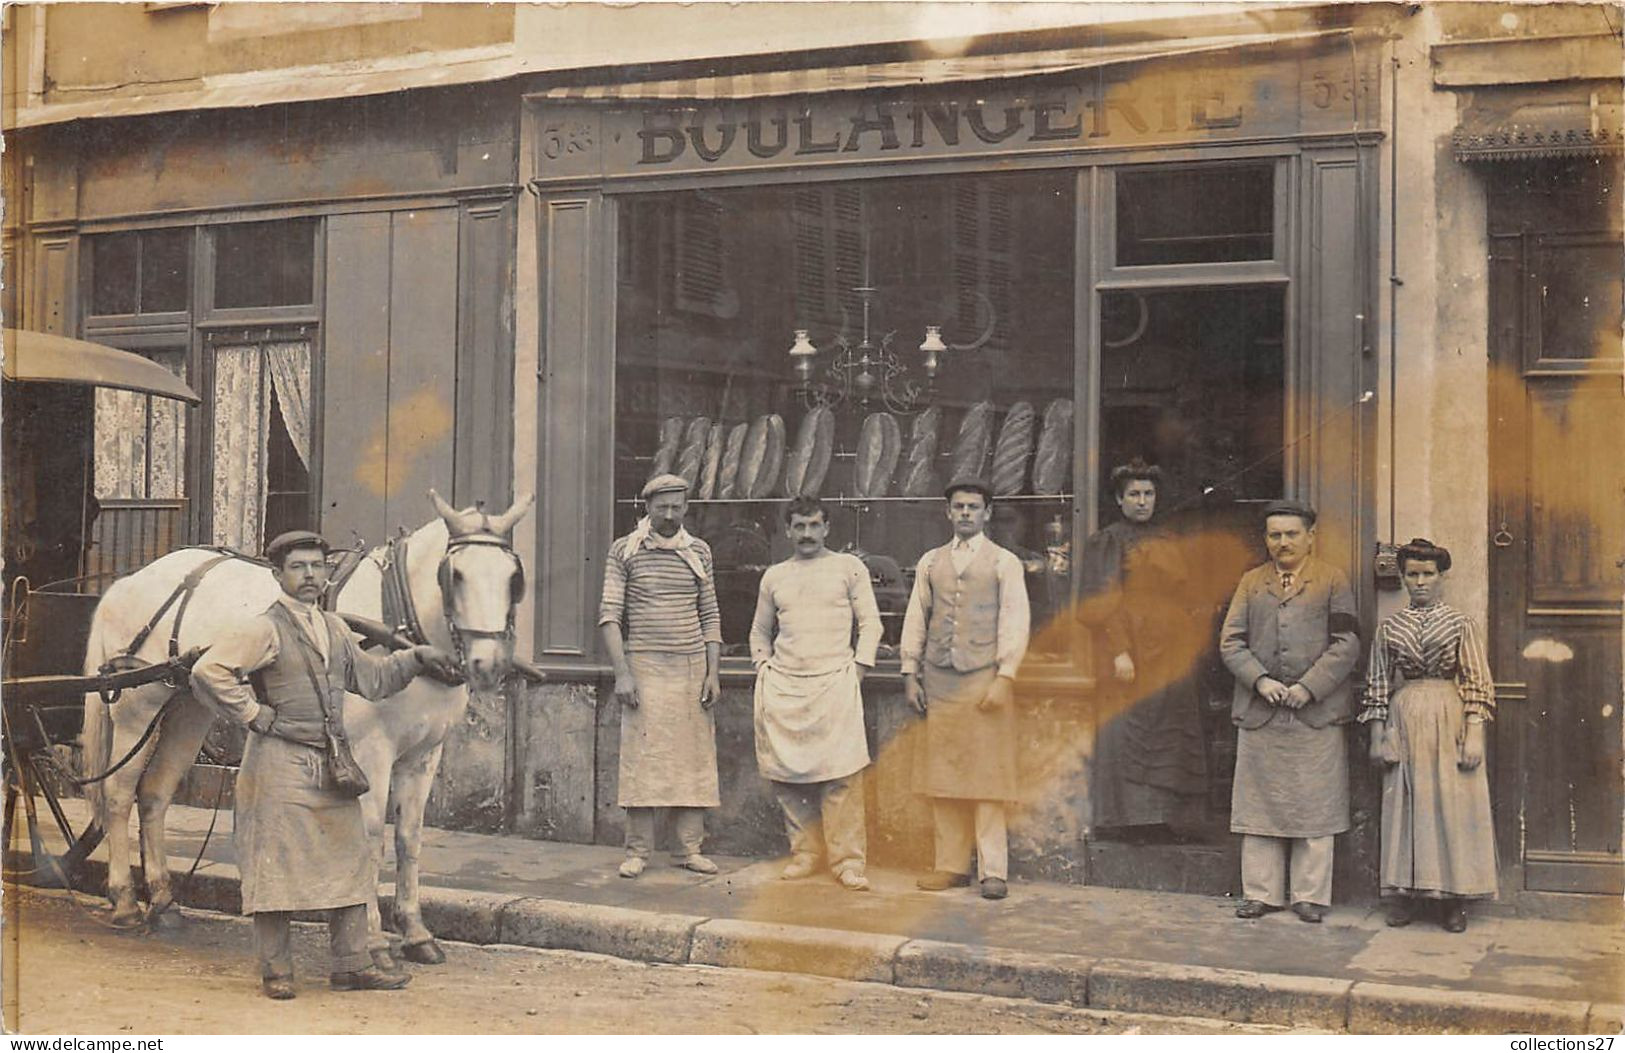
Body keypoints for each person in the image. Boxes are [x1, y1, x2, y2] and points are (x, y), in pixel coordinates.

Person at [190, 530, 459, 1000]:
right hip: (279, 761)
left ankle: (352, 965)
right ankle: (276, 971)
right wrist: (254, 714)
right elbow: (207, 671)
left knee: (352, 854)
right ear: (278, 575)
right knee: (276, 863)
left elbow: (374, 681)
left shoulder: (333, 627)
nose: (310, 575)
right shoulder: (263, 628)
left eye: (317, 566)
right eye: (298, 567)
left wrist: (415, 657)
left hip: (331, 760)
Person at [1219, 500, 1360, 923]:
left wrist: (1308, 688)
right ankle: (1261, 893)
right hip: (1261, 711)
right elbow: (1231, 641)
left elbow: (1347, 643)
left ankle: (1309, 896)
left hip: (1314, 713)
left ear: (1310, 537)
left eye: (1292, 534)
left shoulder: (1333, 580)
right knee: (1259, 804)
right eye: (1275, 535)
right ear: (1266, 539)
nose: (1283, 543)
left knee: (1316, 803)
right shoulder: (1250, 582)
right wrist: (1260, 681)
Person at [900, 478, 1031, 900]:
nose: (966, 514)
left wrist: (1005, 677)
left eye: (974, 507)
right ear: (948, 512)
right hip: (939, 680)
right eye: (959, 507)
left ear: (987, 513)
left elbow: (1015, 620)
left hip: (983, 680)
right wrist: (909, 673)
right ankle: (950, 866)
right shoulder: (930, 562)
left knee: (987, 778)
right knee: (944, 775)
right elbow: (916, 618)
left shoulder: (1004, 563)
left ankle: (994, 871)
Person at [1361, 538, 1498, 932]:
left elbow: (1476, 681)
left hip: (1449, 713)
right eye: (1412, 575)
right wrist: (1377, 736)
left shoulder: (1460, 623)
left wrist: (1474, 734)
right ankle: (1403, 895)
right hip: (1404, 717)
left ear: (1440, 577)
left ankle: (1453, 901)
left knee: (1451, 806)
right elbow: (1378, 685)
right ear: (1403, 578)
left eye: (1427, 574)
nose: (1420, 582)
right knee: (1406, 802)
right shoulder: (1390, 628)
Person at [749, 497, 882, 892]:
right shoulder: (774, 576)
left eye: (814, 525)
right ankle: (804, 854)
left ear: (827, 528)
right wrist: (764, 668)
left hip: (835, 683)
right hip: (786, 685)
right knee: (789, 778)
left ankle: (847, 861)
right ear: (788, 530)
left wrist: (857, 671)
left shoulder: (848, 568)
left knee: (841, 777)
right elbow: (759, 632)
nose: (807, 534)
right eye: (799, 527)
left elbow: (871, 624)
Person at [1076, 459, 1208, 841]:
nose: (1142, 501)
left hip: (1169, 650)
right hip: (1128, 649)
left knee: (1170, 731)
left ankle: (1165, 819)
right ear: (1119, 500)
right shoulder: (1108, 541)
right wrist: (1119, 651)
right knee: (1131, 732)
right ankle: (1130, 822)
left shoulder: (1168, 539)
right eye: (1133, 494)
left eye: (1148, 494)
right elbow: (1099, 600)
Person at [599, 473, 723, 879]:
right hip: (645, 666)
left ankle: (690, 848)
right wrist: (623, 674)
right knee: (643, 761)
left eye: (676, 506)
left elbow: (710, 616)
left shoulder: (699, 551)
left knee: (693, 760)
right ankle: (638, 851)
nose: (669, 515)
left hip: (690, 667)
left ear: (686, 508)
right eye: (661, 506)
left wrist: (712, 674)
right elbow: (610, 617)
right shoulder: (624, 551)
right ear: (646, 506)